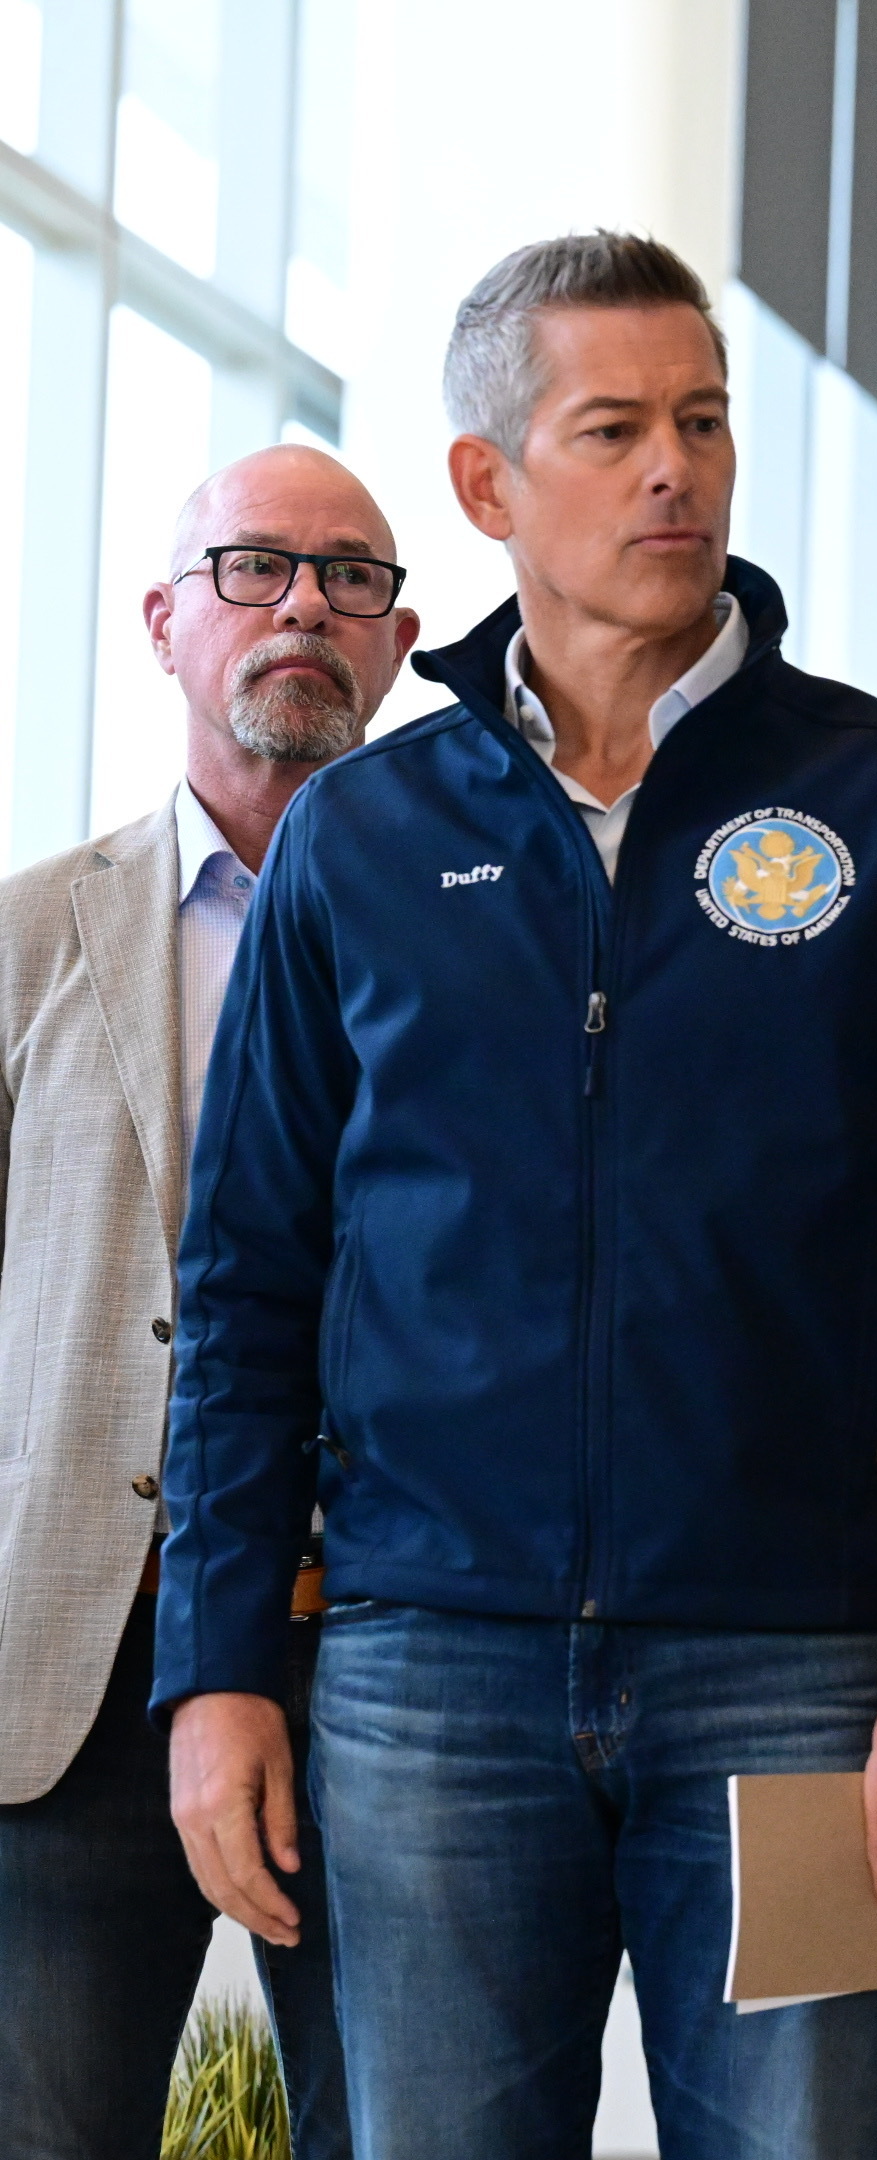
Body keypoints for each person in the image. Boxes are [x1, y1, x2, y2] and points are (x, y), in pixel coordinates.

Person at [151, 232, 877, 2160]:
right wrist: (219, 1667)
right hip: (428, 1679)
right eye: (615, 428)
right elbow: (249, 1277)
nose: (677, 468)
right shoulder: (363, 834)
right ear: (491, 486)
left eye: (704, 421)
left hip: (814, 1671)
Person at [0, 446, 403, 2160]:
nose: (304, 602)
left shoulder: (472, 951)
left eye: (351, 578)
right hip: (67, 1675)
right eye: (252, 567)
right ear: (165, 621)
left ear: (399, 647)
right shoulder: (23, 942)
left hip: (387, 1663)